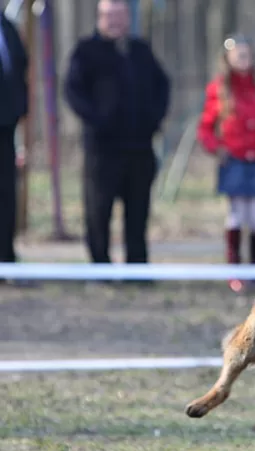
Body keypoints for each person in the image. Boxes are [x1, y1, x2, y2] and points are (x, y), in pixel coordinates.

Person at [64, 0, 170, 267]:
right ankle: (100, 265)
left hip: (139, 147)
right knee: (99, 211)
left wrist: (153, 119)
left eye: (119, 16)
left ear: (127, 18)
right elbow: (73, 91)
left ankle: (137, 266)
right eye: (109, 16)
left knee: (138, 210)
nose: (114, 22)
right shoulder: (86, 51)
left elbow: (162, 85)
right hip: (103, 149)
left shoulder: (140, 50)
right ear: (100, 17)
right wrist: (98, 121)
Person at [197, 34, 255, 293]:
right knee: (236, 215)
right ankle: (234, 269)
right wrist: (217, 148)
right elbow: (205, 128)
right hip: (233, 160)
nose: (242, 59)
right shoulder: (220, 89)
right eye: (237, 54)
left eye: (246, 54)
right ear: (228, 58)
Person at [0, 9, 28, 284]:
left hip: (5, 127)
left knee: (7, 196)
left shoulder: (7, 27)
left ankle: (6, 259)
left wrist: (20, 109)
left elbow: (19, 67)